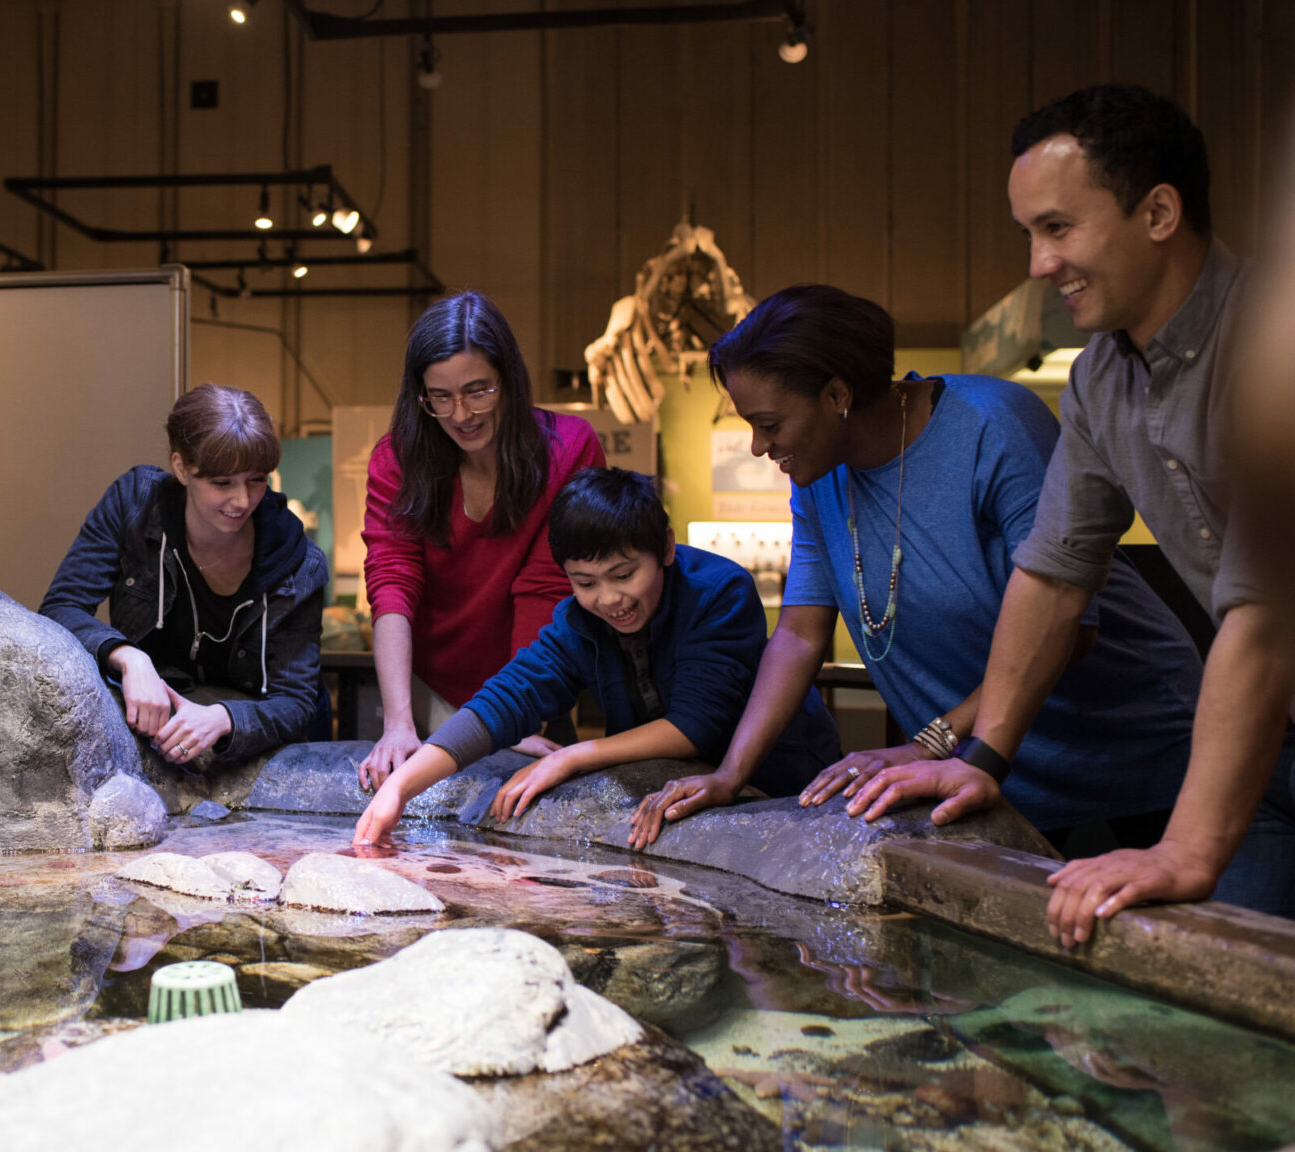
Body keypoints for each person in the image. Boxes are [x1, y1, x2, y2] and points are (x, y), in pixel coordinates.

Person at [838, 84, 1295, 942]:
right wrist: (982, 758)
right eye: (1029, 234)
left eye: (1057, 227)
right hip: (1264, 747)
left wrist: (1185, 848)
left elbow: (1267, 612)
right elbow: (1051, 575)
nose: (1040, 263)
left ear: (1158, 212)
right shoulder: (1097, 379)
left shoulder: (1274, 337)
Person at [623, 285, 1202, 853]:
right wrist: (729, 774)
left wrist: (933, 742)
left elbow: (1068, 625)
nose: (756, 446)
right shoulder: (817, 474)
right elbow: (799, 635)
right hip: (983, 772)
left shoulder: (994, 425)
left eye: (770, 425)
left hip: (1133, 752)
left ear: (837, 394)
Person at [352, 467, 837, 846]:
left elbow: (695, 726)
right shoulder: (578, 621)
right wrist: (401, 788)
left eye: (624, 575)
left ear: (665, 548)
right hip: (671, 789)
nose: (608, 599)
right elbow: (506, 699)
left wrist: (572, 758)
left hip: (785, 785)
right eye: (585, 582)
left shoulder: (719, 592)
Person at [355, 291, 606, 789]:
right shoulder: (399, 458)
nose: (461, 414)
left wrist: (517, 717)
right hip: (422, 696)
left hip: (529, 693)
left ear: (508, 379)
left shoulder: (569, 449)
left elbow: (543, 590)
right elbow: (392, 583)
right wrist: (398, 724)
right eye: (440, 397)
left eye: (478, 391)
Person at [40, 384, 328, 768]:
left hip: (262, 748)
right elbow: (60, 608)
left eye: (257, 480)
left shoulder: (299, 561)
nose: (242, 500)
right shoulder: (134, 505)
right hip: (163, 733)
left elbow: (296, 701)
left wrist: (223, 718)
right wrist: (127, 656)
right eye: (222, 483)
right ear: (181, 467)